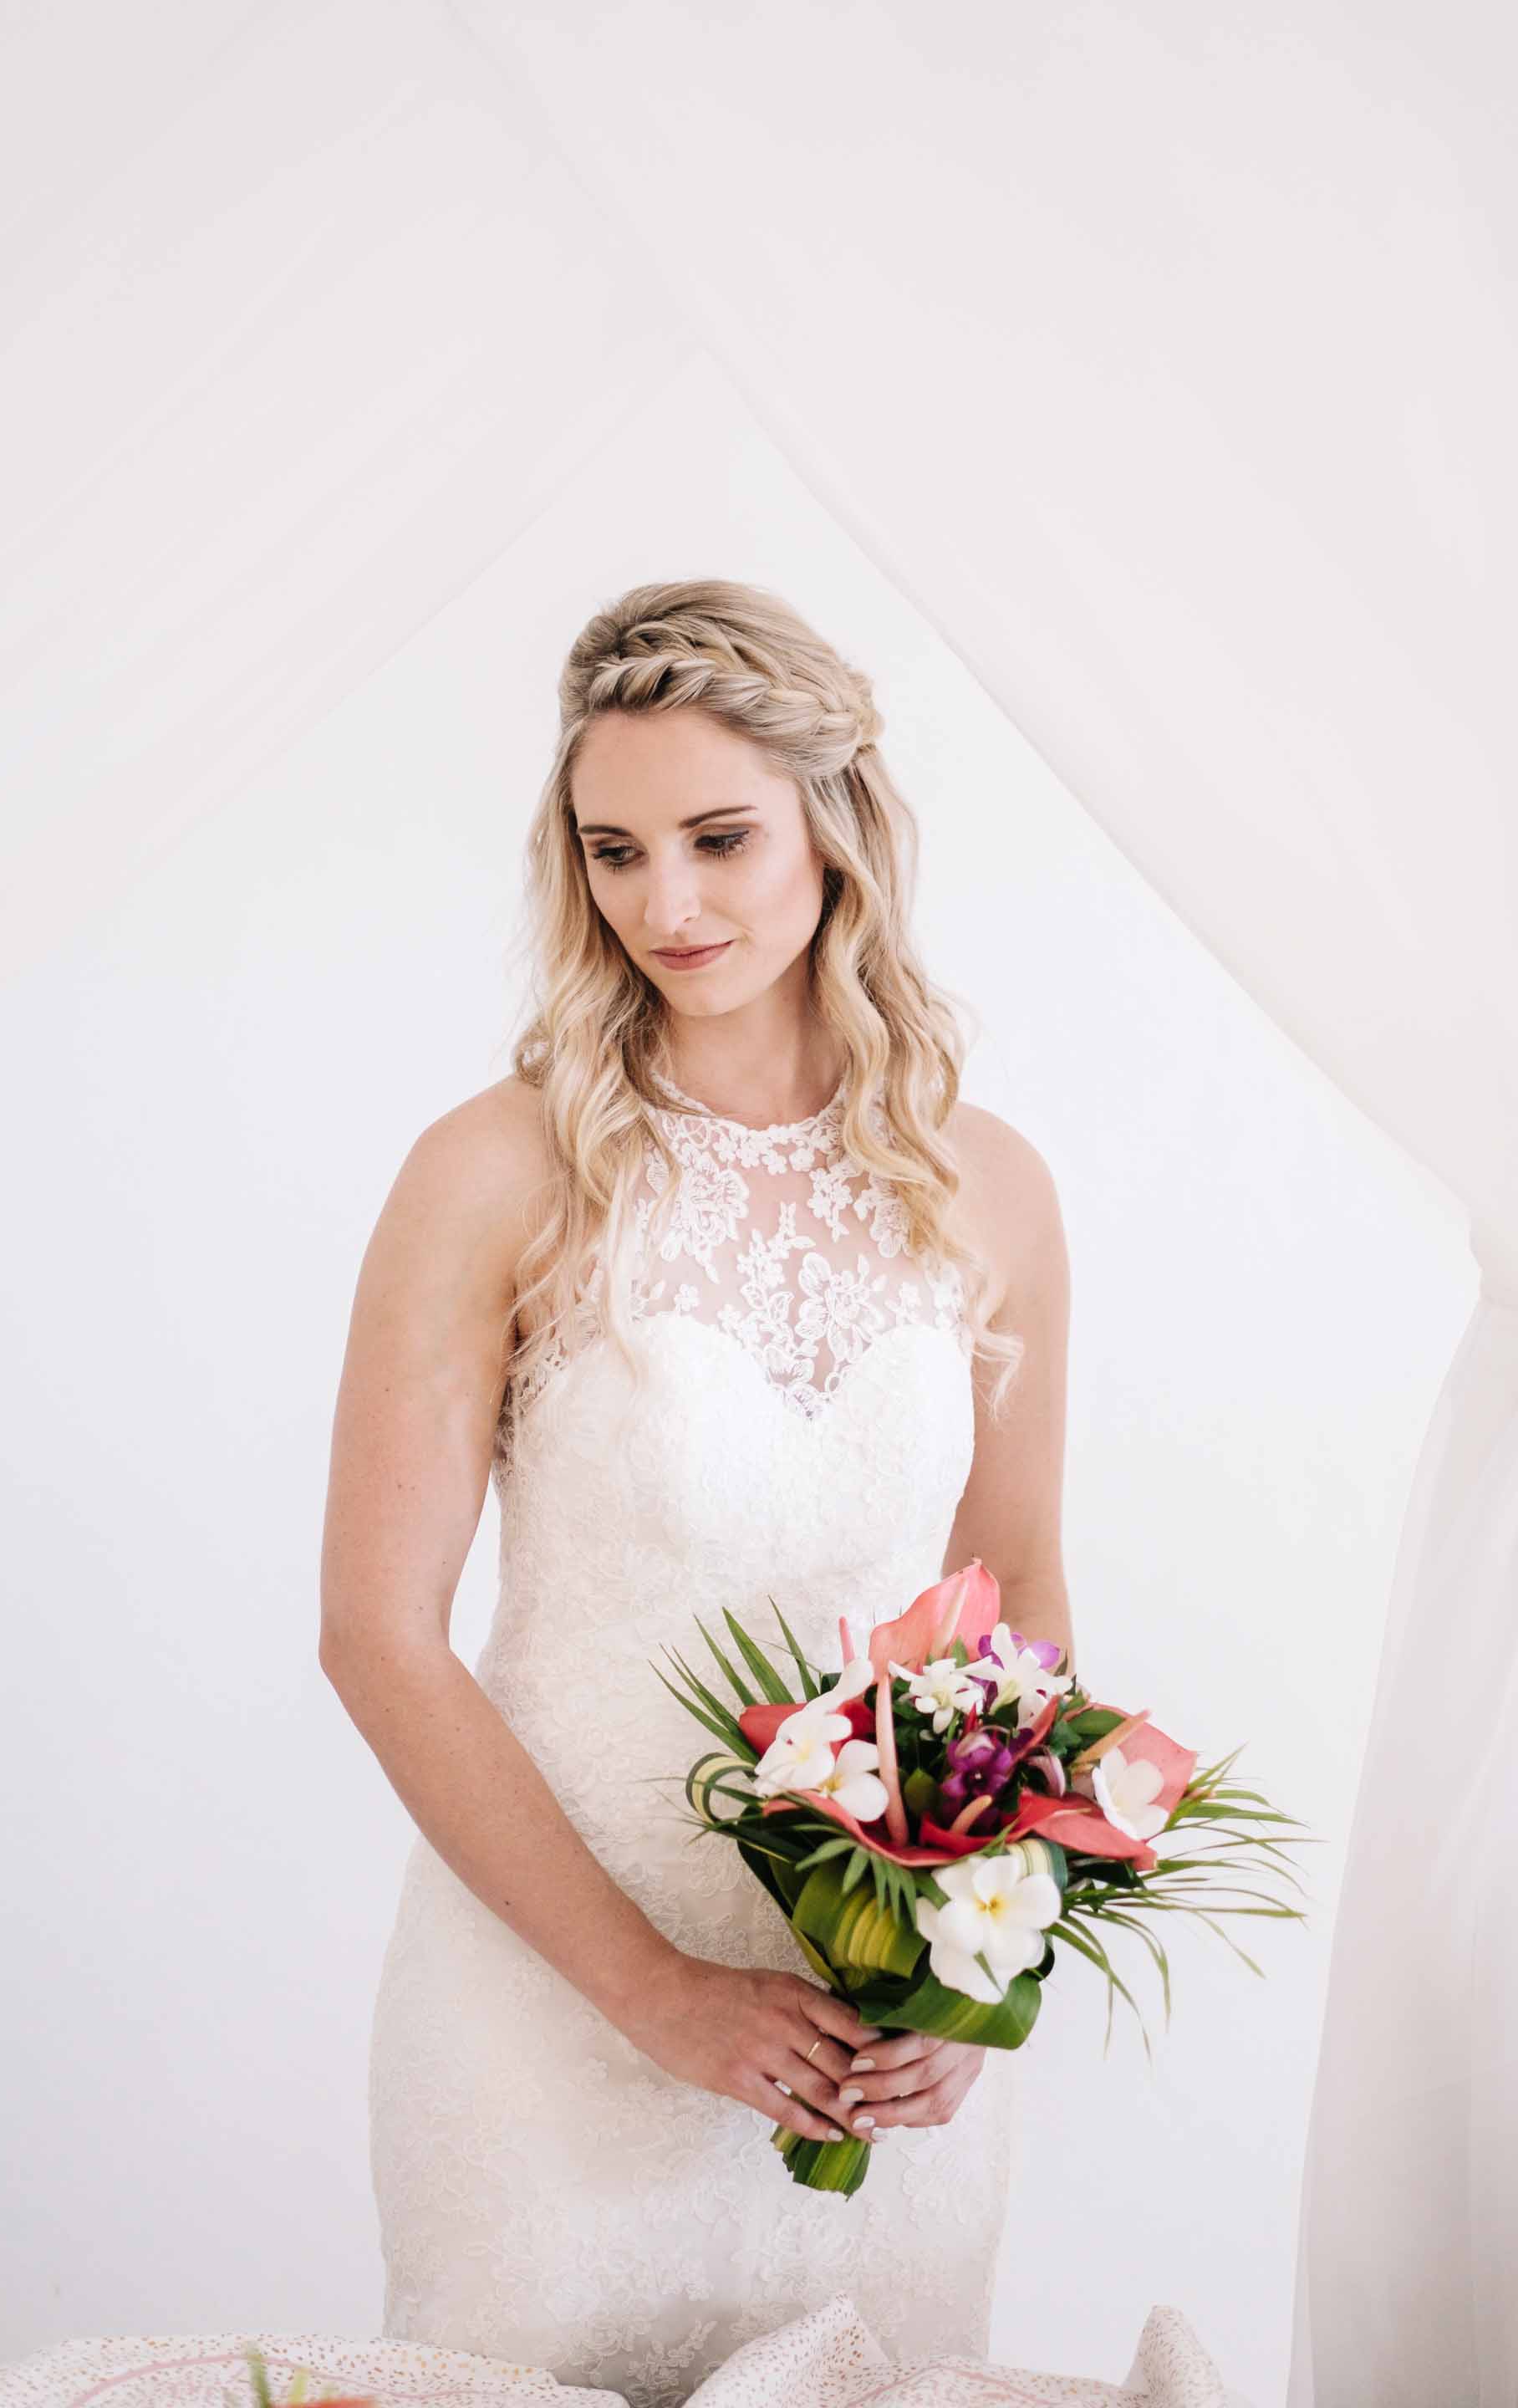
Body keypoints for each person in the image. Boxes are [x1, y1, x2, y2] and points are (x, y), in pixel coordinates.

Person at [319, 579, 1073, 2408]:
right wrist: (653, 1992)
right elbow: (376, 1639)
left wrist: (975, 1967)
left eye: (720, 839)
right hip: (551, 2024)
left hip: (872, 2055)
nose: (666, 905)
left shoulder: (988, 1185)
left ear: (838, 821)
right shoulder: (497, 1171)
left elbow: (1018, 1590)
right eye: (615, 851)